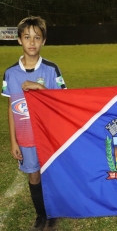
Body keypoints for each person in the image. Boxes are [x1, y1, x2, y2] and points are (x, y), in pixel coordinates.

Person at [1, 16, 66, 230]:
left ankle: (53, 212)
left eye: (36, 38)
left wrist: (41, 89)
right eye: (27, 37)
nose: (32, 42)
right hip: (26, 138)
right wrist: (13, 141)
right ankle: (41, 214)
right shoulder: (10, 73)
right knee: (34, 176)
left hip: (48, 136)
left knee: (50, 174)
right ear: (19, 39)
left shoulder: (51, 70)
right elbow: (12, 108)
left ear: (43, 41)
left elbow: (63, 101)